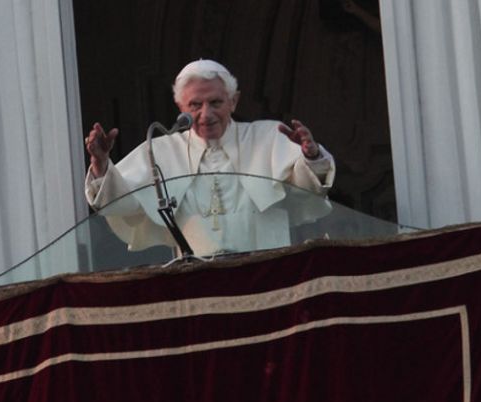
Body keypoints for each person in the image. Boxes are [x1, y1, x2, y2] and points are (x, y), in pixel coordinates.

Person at [84, 59, 336, 256]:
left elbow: (307, 189)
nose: (206, 114)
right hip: (197, 284)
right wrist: (101, 165)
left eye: (216, 102)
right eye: (195, 105)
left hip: (269, 273)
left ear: (233, 102)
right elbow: (124, 204)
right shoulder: (159, 152)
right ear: (181, 108)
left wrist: (311, 156)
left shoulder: (268, 137)